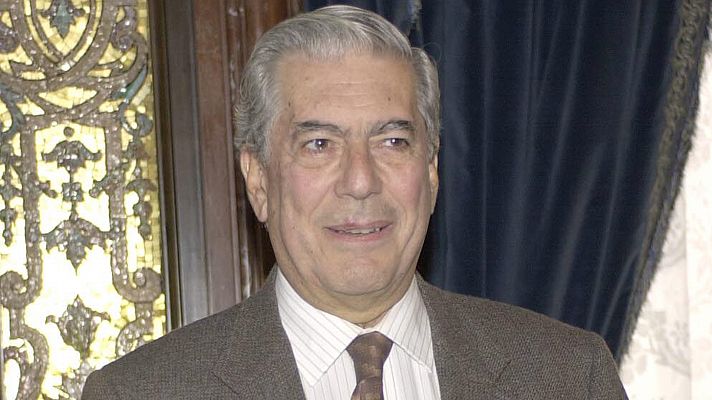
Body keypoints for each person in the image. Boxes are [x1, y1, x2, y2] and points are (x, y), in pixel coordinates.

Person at [82, 5, 627, 399]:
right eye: (319, 144)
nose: (361, 181)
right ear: (259, 181)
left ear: (431, 171)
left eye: (393, 142)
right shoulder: (142, 392)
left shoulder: (567, 377)